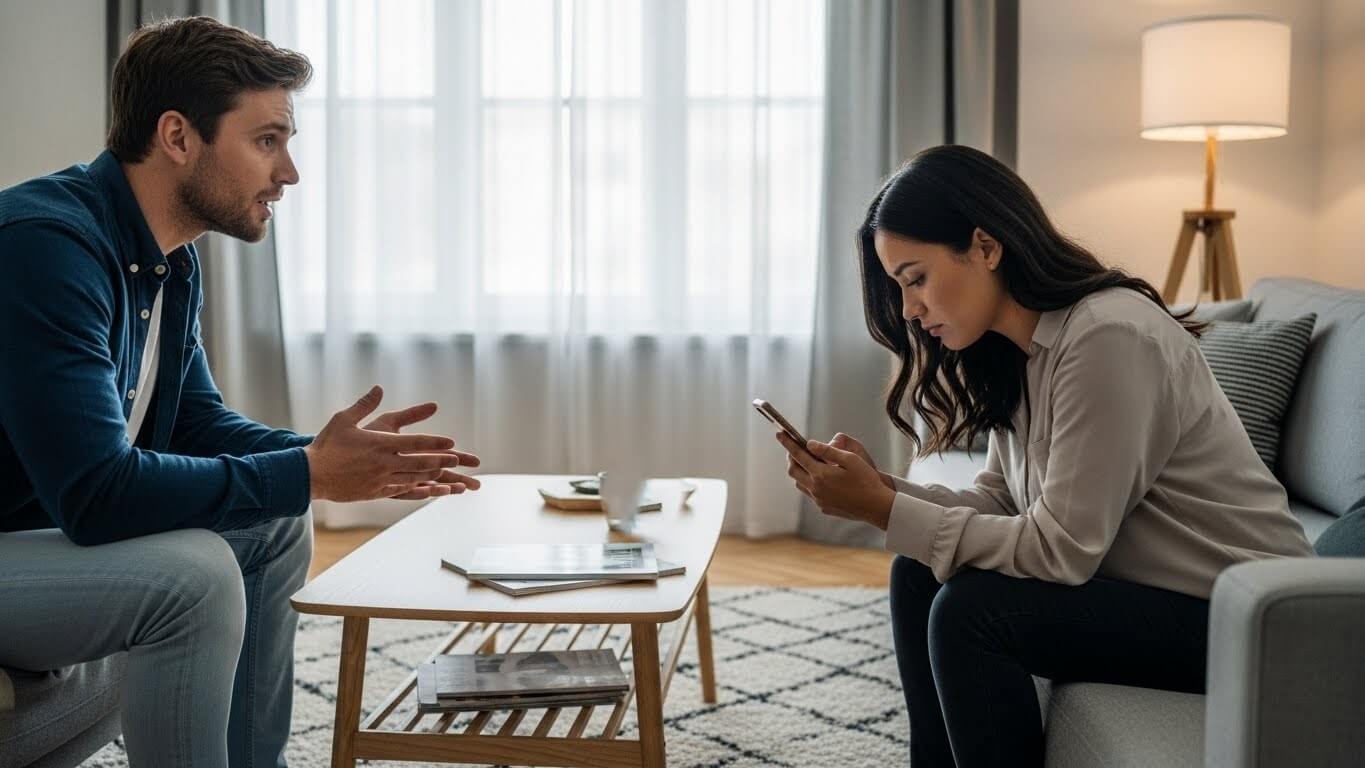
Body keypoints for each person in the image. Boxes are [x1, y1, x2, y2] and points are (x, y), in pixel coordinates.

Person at [0, 16, 480, 768]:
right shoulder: (45, 247)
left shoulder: (167, 262)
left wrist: (329, 458)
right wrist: (310, 472)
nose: (288, 172)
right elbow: (96, 493)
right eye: (267, 140)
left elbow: (193, 421)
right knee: (193, 577)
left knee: (275, 522)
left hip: (33, 547)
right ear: (179, 137)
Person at [774, 144, 1312, 767]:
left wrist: (881, 511)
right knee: (916, 571)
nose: (910, 311)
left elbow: (1060, 551)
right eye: (900, 289)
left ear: (985, 246)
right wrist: (883, 492)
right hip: (1171, 600)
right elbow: (1001, 500)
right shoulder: (1022, 350)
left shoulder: (1109, 336)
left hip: (1251, 621)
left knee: (972, 613)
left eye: (915, 279)